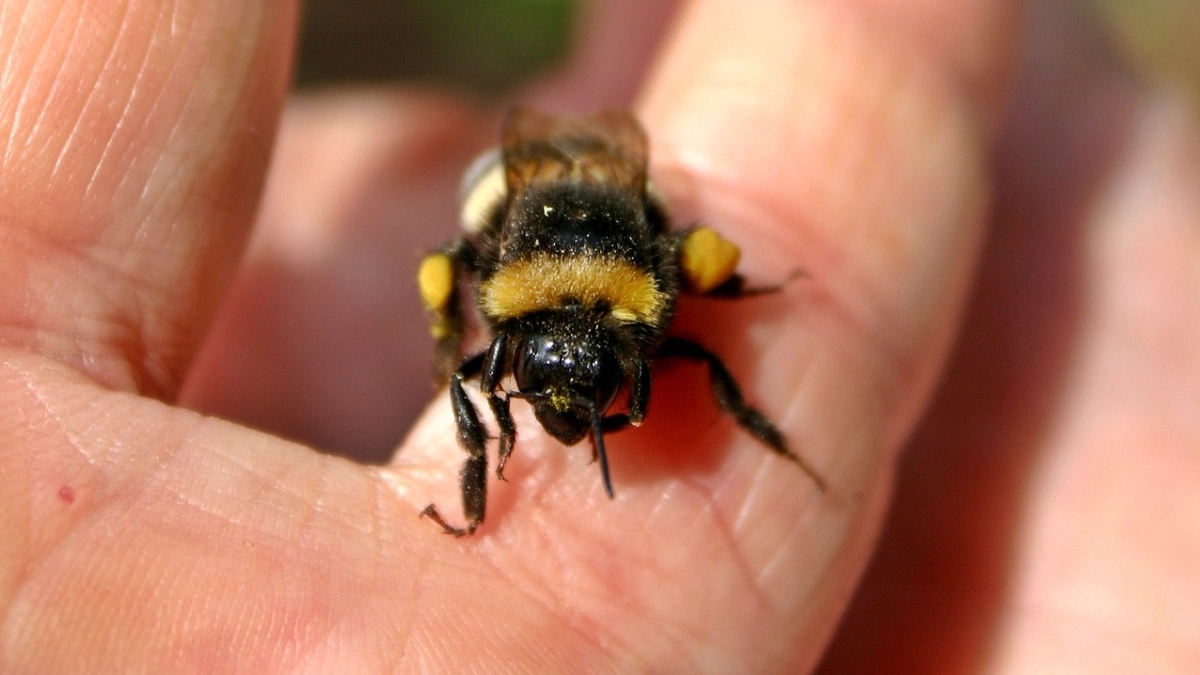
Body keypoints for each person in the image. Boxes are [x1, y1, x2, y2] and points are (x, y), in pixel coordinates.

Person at [2, 0, 1196, 671]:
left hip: (601, 218)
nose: (581, 415)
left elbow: (672, 302)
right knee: (458, 250)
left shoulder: (617, 316)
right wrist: (455, 353)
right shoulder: (531, 318)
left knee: (693, 270)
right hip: (543, 219)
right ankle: (460, 350)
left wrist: (720, 288)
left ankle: (730, 305)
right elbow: (505, 286)